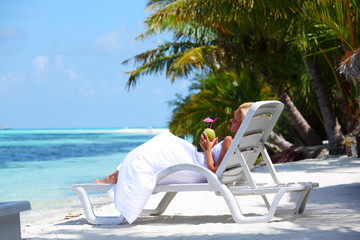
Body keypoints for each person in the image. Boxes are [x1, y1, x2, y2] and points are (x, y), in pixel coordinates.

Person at [95, 102, 253, 224]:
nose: (231, 120)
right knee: (161, 145)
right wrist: (209, 150)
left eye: (236, 119)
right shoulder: (245, 143)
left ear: (244, 123)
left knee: (157, 149)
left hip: (196, 168)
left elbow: (212, 172)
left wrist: (208, 150)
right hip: (196, 164)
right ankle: (118, 174)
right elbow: (217, 169)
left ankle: (118, 175)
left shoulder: (228, 141)